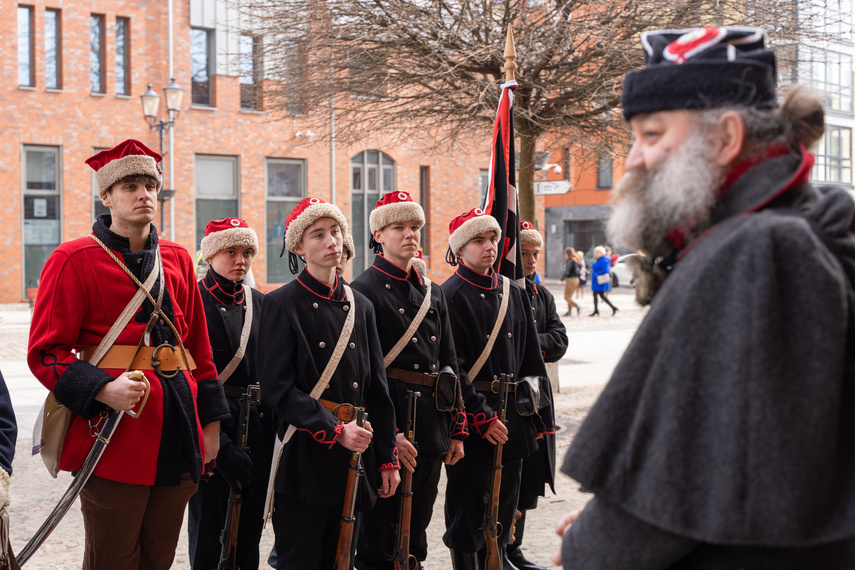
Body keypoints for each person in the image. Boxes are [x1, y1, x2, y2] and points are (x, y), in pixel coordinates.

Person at [555, 27, 855, 569]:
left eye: (651, 134)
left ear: (725, 139)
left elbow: (686, 469)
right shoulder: (800, 225)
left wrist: (589, 545)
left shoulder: (757, 249)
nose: (633, 160)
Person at [28, 139, 228, 569]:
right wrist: (102, 389)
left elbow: (200, 353)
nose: (143, 195)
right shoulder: (73, 259)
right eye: (130, 186)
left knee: (159, 559)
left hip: (179, 432)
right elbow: (46, 352)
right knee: (112, 559)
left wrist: (210, 426)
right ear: (107, 196)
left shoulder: (176, 259)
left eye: (150, 186)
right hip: (113, 436)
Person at [257, 197, 400, 570]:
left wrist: (386, 458)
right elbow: (277, 389)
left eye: (335, 231)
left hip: (353, 457)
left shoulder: (362, 306)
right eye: (318, 235)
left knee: (343, 561)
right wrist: (334, 429)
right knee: (301, 561)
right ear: (299, 247)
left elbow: (377, 391)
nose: (331, 241)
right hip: (305, 456)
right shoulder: (280, 304)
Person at [352, 190, 466, 570]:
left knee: (416, 532)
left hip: (432, 423)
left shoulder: (433, 291)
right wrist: (390, 435)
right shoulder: (362, 290)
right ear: (379, 235)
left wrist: (456, 430)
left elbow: (449, 360)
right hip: (391, 424)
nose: (410, 235)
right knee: (381, 535)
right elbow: (363, 375)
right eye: (398, 227)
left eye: (415, 226)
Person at [441, 208, 551, 570]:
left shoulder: (512, 292)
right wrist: (480, 418)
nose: (489, 247)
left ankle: (499, 558)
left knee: (506, 508)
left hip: (514, 418)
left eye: (492, 239)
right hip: (474, 421)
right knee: (468, 509)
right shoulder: (449, 295)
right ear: (460, 248)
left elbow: (532, 362)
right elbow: (454, 368)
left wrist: (537, 416)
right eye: (478, 240)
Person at [187, 218, 273, 570]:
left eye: (247, 252)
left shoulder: (261, 303)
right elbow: (189, 377)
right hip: (211, 425)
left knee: (248, 532)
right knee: (208, 534)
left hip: (257, 426)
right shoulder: (192, 300)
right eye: (231, 251)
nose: (241, 260)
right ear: (211, 254)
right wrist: (219, 445)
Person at [512, 222, 567, 570]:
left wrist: (534, 344)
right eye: (525, 253)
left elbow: (559, 339)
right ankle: (500, 545)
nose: (531, 260)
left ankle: (514, 545)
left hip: (537, 395)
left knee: (531, 474)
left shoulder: (541, 295)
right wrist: (536, 343)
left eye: (536, 253)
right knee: (511, 475)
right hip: (512, 395)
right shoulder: (511, 292)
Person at [588, 246, 618, 316]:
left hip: (600, 281)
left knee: (600, 295)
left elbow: (605, 270)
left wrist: (597, 273)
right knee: (599, 295)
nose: (596, 254)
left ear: (602, 253)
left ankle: (598, 310)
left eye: (597, 252)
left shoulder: (604, 260)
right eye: (595, 252)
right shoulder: (599, 259)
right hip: (597, 281)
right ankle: (598, 310)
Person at [560, 247, 580, 316]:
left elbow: (567, 271)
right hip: (576, 279)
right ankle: (569, 312)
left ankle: (577, 306)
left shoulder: (570, 260)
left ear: (567, 253)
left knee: (566, 297)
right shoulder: (575, 260)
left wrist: (561, 279)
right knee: (569, 297)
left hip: (571, 279)